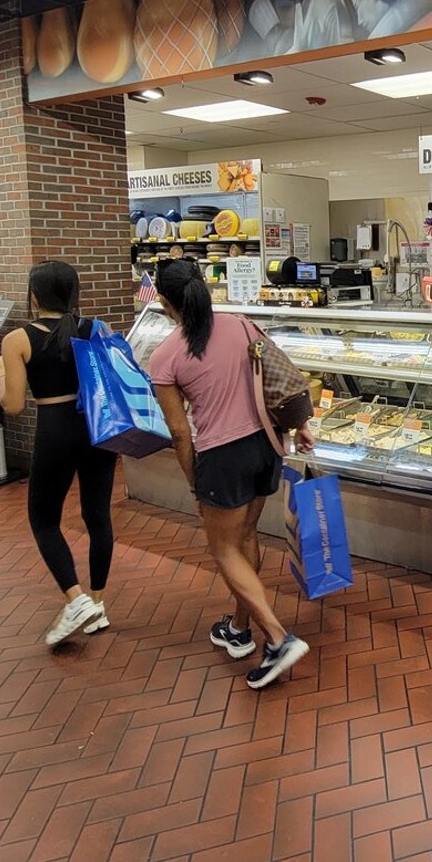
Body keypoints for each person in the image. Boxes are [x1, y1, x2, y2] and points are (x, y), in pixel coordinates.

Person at [149, 259, 314, 689]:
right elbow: (280, 378)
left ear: (165, 303)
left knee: (223, 549)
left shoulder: (165, 356)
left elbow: (180, 432)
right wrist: (300, 424)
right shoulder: (240, 325)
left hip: (222, 458)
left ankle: (277, 638)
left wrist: (193, 481)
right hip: (266, 446)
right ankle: (240, 629)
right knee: (246, 538)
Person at [0, 262, 117, 646]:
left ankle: (75, 598)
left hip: (55, 426)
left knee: (44, 519)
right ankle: (97, 603)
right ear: (73, 293)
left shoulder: (18, 339)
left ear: (34, 295)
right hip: (98, 427)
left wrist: (3, 370)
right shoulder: (96, 327)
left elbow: (12, 405)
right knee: (97, 515)